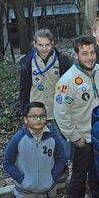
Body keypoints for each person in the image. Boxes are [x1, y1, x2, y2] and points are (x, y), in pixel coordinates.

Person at [54, 35, 99, 198]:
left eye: (92, 52)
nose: (90, 57)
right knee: (79, 176)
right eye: (84, 53)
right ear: (76, 54)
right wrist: (75, 137)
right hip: (82, 139)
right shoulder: (67, 81)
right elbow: (61, 113)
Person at [3, 102, 66, 198]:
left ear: (46, 118)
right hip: (26, 190)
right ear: (26, 119)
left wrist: (52, 177)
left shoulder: (53, 138)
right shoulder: (19, 138)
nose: (38, 119)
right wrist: (22, 179)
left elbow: (61, 159)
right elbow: (7, 163)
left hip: (47, 187)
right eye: (34, 116)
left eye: (42, 116)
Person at [19, 29, 71, 175]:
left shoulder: (62, 61)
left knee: (59, 138)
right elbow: (24, 88)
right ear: (34, 44)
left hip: (57, 107)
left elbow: (69, 86)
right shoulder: (27, 62)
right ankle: (42, 168)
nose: (44, 48)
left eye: (47, 45)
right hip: (36, 109)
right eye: (40, 45)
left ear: (52, 44)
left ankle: (62, 167)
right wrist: (25, 110)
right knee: (38, 139)